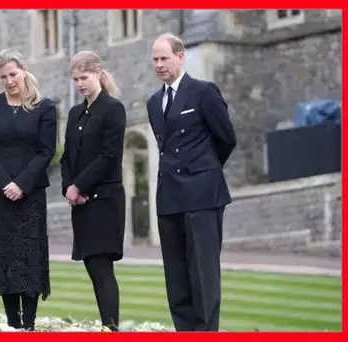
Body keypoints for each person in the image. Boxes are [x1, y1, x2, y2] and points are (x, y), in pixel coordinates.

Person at [146, 32, 237, 332]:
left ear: (180, 56)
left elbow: (226, 139)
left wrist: (204, 173)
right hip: (169, 198)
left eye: (164, 58)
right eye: (155, 59)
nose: (159, 64)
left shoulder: (203, 92)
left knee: (203, 275)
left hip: (202, 197)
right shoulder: (153, 102)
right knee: (176, 277)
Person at [0, 48, 58, 331]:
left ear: (23, 70)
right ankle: (12, 325)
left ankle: (30, 325)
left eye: (13, 74)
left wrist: (21, 183)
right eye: (3, 77)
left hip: (30, 195)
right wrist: (5, 183)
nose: (9, 81)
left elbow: (46, 151)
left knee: (28, 255)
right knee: (4, 257)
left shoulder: (44, 107)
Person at [60, 50, 127, 331]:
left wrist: (79, 185)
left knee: (101, 267)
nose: (79, 84)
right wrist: (68, 188)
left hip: (105, 201)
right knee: (92, 266)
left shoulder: (113, 109)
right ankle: (107, 327)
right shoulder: (76, 113)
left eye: (83, 78)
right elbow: (66, 157)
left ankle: (111, 329)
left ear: (98, 73)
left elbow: (109, 155)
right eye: (75, 79)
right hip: (82, 203)